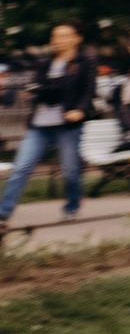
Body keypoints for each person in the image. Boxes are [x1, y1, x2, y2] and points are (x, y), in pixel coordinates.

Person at [0, 25, 95, 226]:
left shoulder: (85, 62)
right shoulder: (45, 62)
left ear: (76, 38)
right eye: (55, 36)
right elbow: (37, 86)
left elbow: (88, 92)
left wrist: (80, 110)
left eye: (64, 36)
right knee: (21, 167)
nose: (58, 40)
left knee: (70, 170)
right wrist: (33, 92)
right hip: (40, 125)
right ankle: (3, 213)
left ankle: (71, 208)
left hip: (67, 125)